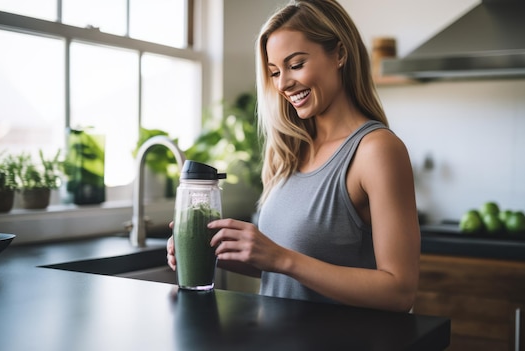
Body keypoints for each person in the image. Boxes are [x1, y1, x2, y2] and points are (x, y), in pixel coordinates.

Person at [167, 0, 420, 312]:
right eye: (274, 72)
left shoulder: (376, 150)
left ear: (339, 54)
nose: (284, 83)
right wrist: (210, 250)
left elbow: (399, 292)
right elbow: (285, 271)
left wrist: (281, 258)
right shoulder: (288, 151)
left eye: (296, 64)